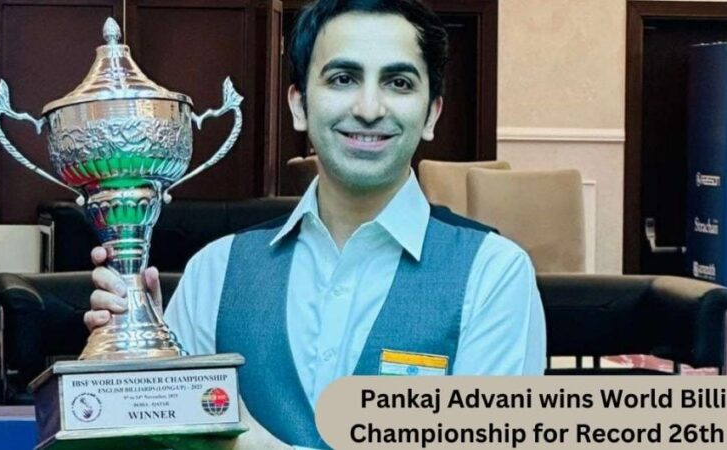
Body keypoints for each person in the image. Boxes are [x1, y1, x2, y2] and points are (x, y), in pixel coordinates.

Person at [84, 0, 546, 448]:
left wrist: (255, 446)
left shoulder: (493, 276)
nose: (369, 108)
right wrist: (143, 360)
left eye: (398, 82)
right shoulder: (214, 273)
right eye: (343, 79)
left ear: (432, 113)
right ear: (299, 106)